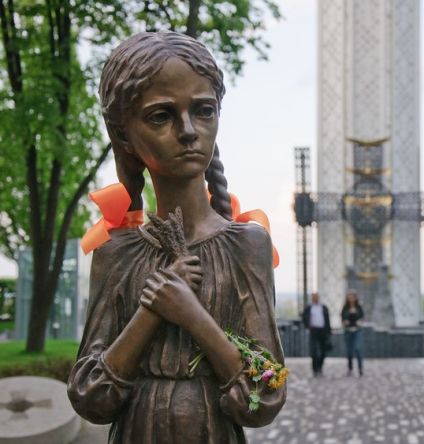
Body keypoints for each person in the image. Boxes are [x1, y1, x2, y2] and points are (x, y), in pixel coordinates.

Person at [67, 32, 285, 443]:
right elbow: (91, 398)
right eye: (161, 116)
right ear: (125, 138)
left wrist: (192, 315)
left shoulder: (247, 245)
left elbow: (266, 393)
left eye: (203, 111)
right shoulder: (116, 252)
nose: (188, 131)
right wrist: (152, 311)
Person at [302, 292, 331, 377]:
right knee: (313, 350)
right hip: (313, 330)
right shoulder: (308, 307)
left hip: (323, 331)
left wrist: (329, 331)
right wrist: (307, 326)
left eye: (317, 297)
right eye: (314, 297)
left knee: (323, 351)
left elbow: (327, 319)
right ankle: (314, 369)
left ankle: (320, 366)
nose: (315, 298)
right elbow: (304, 318)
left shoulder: (324, 307)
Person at [341, 290, 364, 377]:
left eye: (352, 297)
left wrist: (359, 321)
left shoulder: (358, 307)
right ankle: (350, 368)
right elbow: (342, 318)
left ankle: (360, 368)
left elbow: (362, 317)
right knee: (349, 351)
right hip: (348, 331)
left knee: (358, 349)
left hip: (357, 330)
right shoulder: (345, 308)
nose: (351, 298)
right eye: (349, 297)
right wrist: (345, 322)